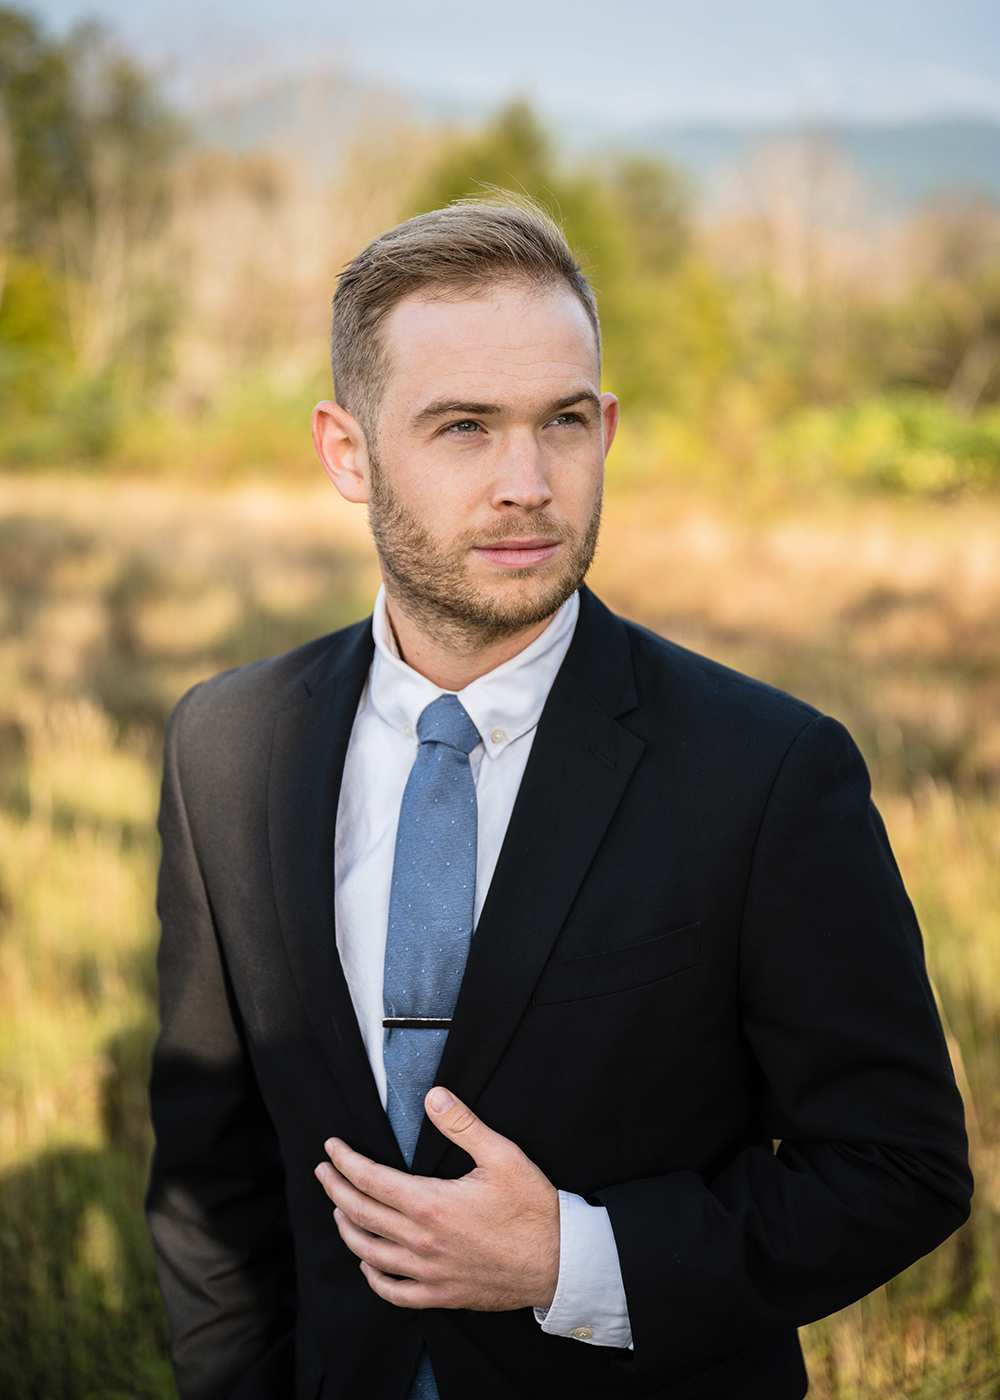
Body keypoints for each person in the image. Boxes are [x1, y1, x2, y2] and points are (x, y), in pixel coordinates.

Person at [146, 197, 972, 1400]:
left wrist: (571, 1256)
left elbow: (899, 1166)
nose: (527, 482)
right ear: (348, 450)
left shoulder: (768, 768)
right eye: (464, 427)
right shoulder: (222, 745)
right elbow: (208, 1162)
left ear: (607, 428)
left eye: (563, 421)